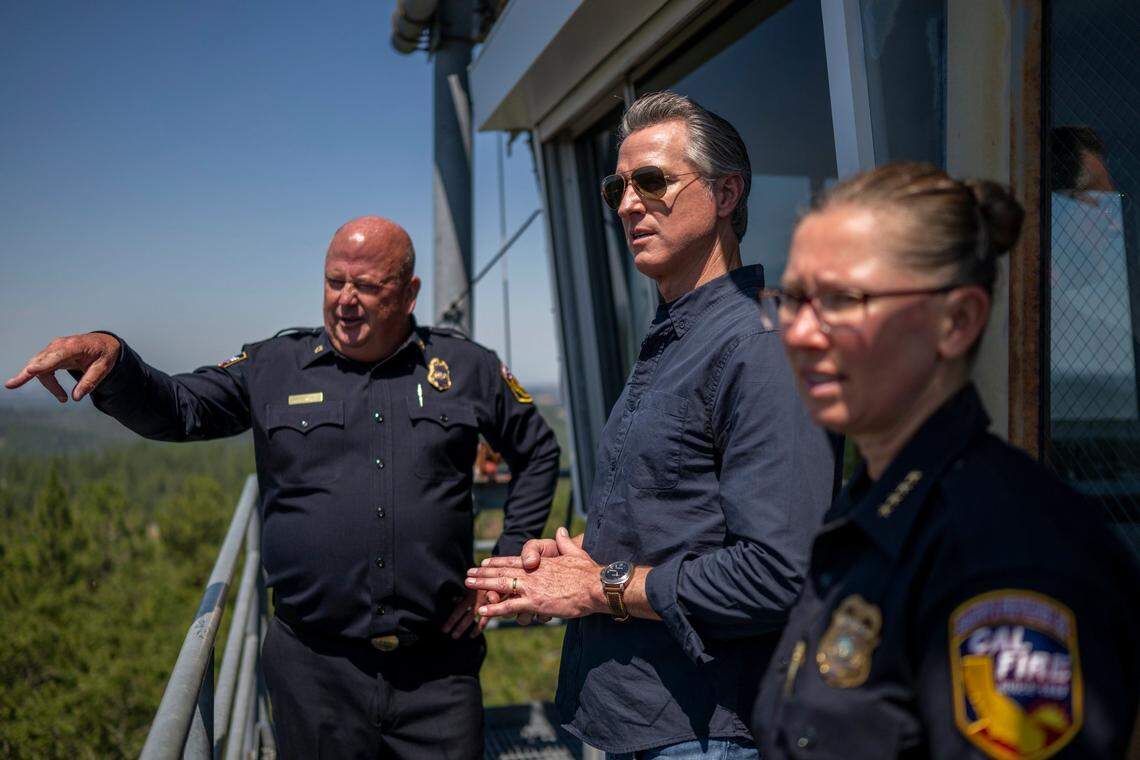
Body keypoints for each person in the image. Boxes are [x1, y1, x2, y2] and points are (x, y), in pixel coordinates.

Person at [4, 216, 561, 759]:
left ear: (409, 292)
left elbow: (537, 450)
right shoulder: (276, 365)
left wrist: (507, 562)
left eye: (367, 286)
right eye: (334, 280)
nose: (345, 299)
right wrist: (115, 358)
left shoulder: (465, 366)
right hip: (314, 673)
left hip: (438, 668)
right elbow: (182, 409)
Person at [465, 91, 836, 758]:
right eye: (619, 186)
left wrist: (600, 586)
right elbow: (681, 514)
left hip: (703, 728)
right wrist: (578, 560)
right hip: (639, 715)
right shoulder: (678, 337)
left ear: (726, 194)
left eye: (653, 181)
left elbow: (780, 571)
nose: (628, 204)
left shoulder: (759, 347)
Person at [750, 162, 1140, 757]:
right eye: (794, 298)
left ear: (956, 322)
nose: (800, 331)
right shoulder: (871, 513)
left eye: (842, 299)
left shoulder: (1004, 554)